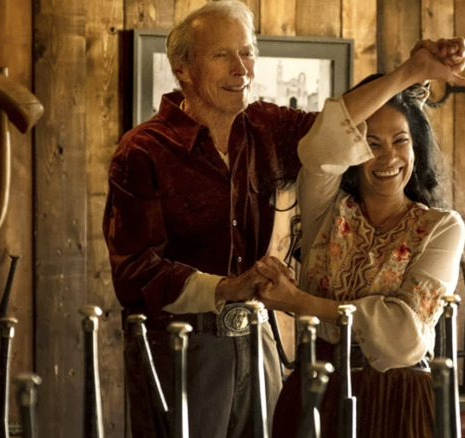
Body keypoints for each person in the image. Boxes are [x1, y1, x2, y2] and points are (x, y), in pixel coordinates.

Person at [102, 1, 318, 437]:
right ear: (182, 68)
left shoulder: (263, 128)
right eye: (222, 55)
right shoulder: (142, 150)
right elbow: (135, 271)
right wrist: (226, 287)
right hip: (182, 348)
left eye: (248, 52)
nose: (242, 68)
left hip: (258, 341)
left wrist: (409, 76)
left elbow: (339, 131)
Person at [256, 40, 465, 438]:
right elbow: (319, 148)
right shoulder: (327, 206)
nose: (388, 157)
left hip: (400, 402)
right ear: (354, 151)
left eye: (400, 140)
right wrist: (408, 72)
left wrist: (301, 303)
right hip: (316, 392)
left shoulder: (442, 227)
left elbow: (403, 339)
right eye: (371, 144)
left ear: (417, 147)